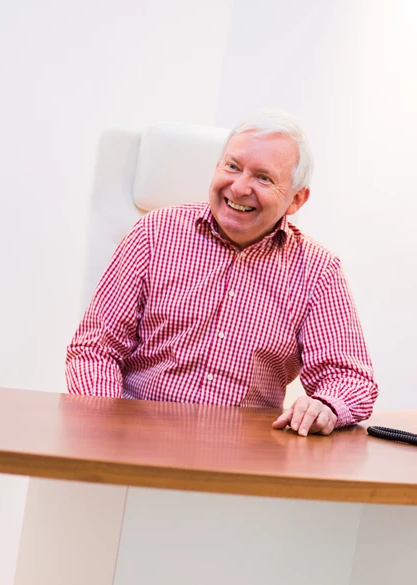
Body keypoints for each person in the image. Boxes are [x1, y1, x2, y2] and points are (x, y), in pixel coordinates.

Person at [66, 109, 377, 435]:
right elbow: (95, 350)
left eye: (263, 177)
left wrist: (325, 405)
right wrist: (106, 429)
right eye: (232, 166)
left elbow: (351, 378)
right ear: (216, 168)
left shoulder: (318, 271)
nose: (240, 187)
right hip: (133, 442)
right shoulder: (154, 233)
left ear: (296, 200)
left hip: (241, 460)